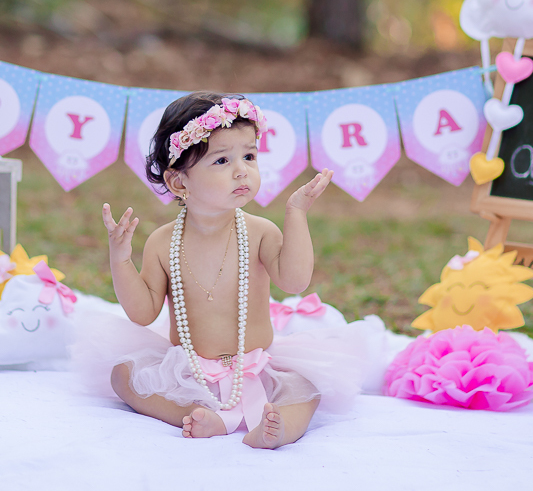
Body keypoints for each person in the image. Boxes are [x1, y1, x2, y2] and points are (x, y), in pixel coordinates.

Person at [90, 91, 363, 449]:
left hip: (256, 364)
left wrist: (296, 213)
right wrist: (120, 258)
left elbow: (295, 281)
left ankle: (281, 427)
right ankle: (195, 414)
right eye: (222, 161)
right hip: (188, 368)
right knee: (124, 377)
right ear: (179, 182)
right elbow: (142, 313)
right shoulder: (162, 242)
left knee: (307, 388)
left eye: (249, 156)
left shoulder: (261, 231)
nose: (242, 170)